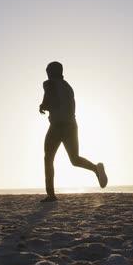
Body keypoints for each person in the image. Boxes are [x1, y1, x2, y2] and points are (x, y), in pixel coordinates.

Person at [38, 61, 108, 202]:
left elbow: (49, 99)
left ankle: (51, 195)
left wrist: (43, 105)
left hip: (57, 126)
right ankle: (96, 168)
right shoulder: (68, 87)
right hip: (71, 125)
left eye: (48, 70)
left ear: (51, 72)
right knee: (75, 159)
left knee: (48, 159)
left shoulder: (49, 83)